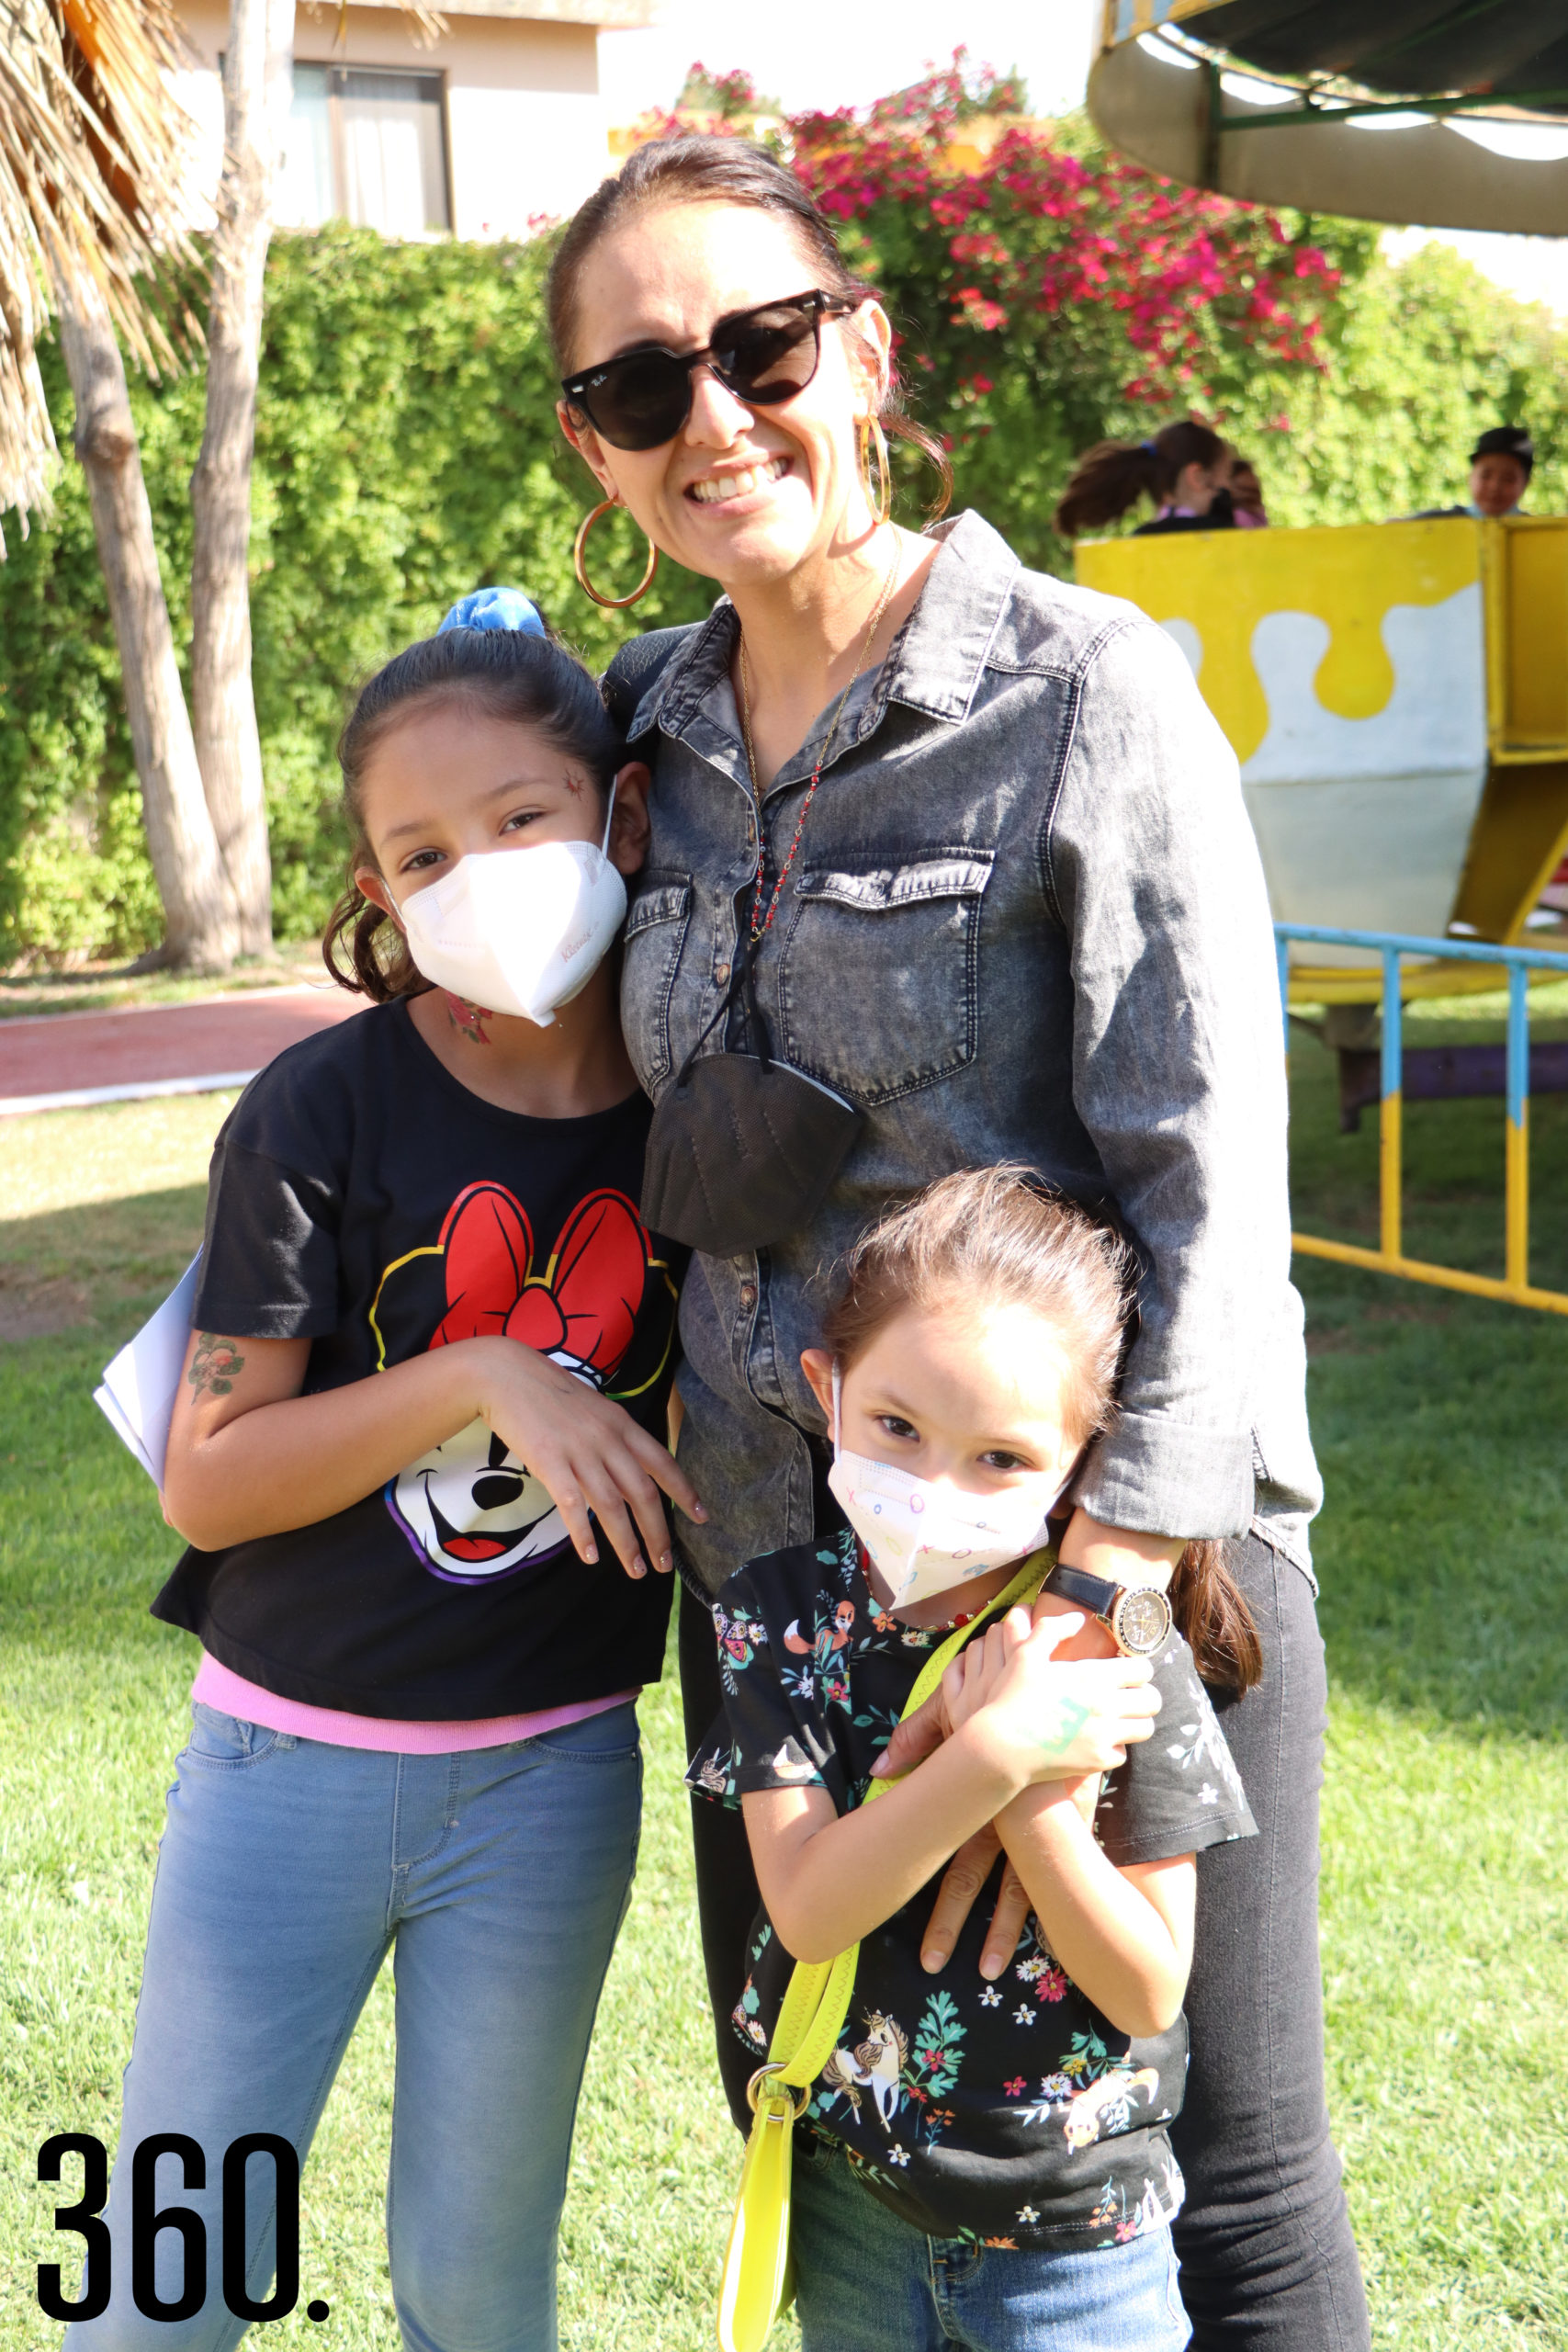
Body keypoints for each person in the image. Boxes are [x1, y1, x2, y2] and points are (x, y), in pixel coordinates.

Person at [551, 134, 1369, 2349]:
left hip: (1094, 1574)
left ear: (863, 348)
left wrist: (1084, 1604)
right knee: (813, 2101)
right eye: (640, 387)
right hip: (779, 1581)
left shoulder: (1082, 686)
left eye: (758, 344)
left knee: (1204, 2151)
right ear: (591, 442)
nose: (711, 415)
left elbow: (1207, 1178)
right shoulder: (639, 726)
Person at [71, 597, 702, 2352]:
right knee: (160, 2285)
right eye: (422, 850)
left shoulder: (689, 1118)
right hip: (284, 1775)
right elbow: (210, 1480)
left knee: (478, 2293)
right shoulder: (317, 1108)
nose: (481, 871)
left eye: (521, 819)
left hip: (551, 1784)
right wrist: (486, 1371)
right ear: (377, 887)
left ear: (621, 818)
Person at [692, 1168, 1260, 2351]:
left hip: (1079, 2247)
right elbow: (807, 1906)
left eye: (999, 1458)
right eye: (897, 1427)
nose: (934, 1490)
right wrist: (994, 1755)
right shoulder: (775, 1615)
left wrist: (1041, 1817)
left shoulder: (1120, 1643)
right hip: (855, 2210)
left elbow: (1152, 1986)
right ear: (824, 1385)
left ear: (1082, 1469)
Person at [1053, 419, 1235, 538]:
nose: (1228, 485)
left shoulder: (1137, 541)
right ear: (1196, 476)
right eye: (1226, 475)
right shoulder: (1226, 537)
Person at [1416, 422, 1533, 519]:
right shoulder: (1430, 524)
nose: (1494, 486)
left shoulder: (1539, 532)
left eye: (1508, 479)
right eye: (1486, 475)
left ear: (1526, 483)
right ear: (1471, 475)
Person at [1228, 454, 1269, 528]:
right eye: (1243, 489)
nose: (1250, 495)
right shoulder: (1238, 516)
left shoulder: (1259, 515)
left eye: (1254, 490)